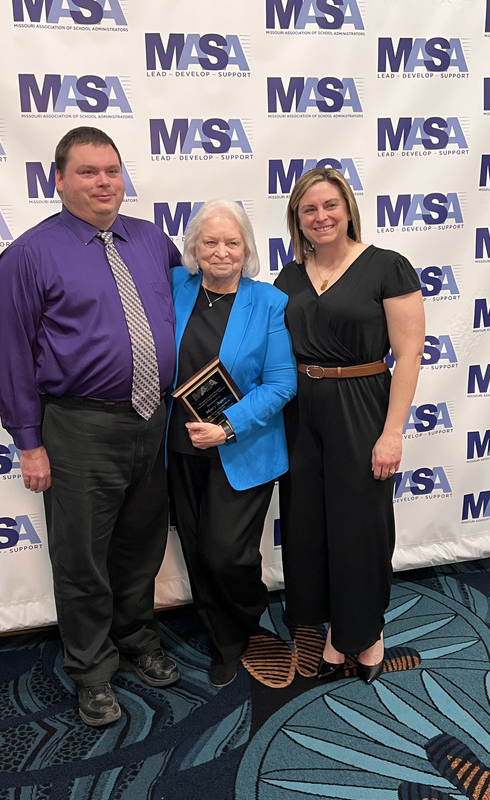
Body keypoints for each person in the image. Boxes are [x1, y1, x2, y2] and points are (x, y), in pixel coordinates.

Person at [0, 126, 182, 726]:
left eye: (112, 171)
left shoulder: (152, 240)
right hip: (77, 427)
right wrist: (30, 442)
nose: (104, 183)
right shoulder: (29, 254)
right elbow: (12, 352)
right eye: (88, 172)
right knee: (82, 560)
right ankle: (92, 672)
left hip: (154, 421)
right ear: (59, 180)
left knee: (142, 545)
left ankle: (137, 639)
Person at [275, 167, 425, 684]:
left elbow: (408, 356)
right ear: (297, 217)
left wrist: (392, 432)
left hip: (362, 403)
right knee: (309, 524)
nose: (320, 217)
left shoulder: (387, 267)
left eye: (330, 206)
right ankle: (333, 630)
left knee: (360, 524)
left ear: (348, 210)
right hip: (299, 408)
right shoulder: (289, 276)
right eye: (309, 209)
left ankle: (365, 632)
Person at [166, 199, 297, 688]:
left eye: (232, 243)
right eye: (210, 242)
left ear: (247, 250)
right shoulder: (175, 288)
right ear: (194, 250)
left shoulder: (268, 302)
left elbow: (281, 384)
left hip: (243, 446)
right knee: (198, 550)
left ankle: (246, 620)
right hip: (178, 446)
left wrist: (227, 426)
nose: (221, 252)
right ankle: (223, 641)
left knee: (228, 553)